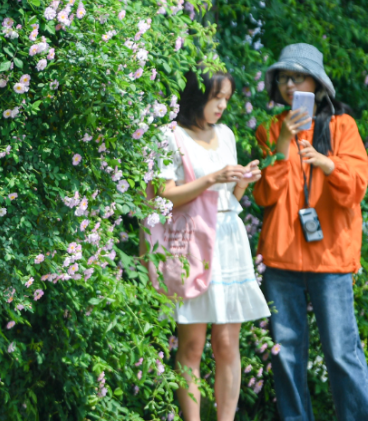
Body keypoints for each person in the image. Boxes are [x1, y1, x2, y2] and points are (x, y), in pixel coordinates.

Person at [254, 43, 368, 421]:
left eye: (298, 77)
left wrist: (326, 163)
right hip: (281, 258)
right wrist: (283, 142)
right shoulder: (270, 129)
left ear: (317, 84)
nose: (290, 85)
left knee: (341, 352)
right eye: (283, 78)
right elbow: (265, 195)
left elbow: (356, 188)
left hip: (331, 258)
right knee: (285, 352)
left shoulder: (342, 127)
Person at [156, 70, 270, 421]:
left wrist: (243, 181)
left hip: (228, 239)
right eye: (215, 97)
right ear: (197, 94)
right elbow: (165, 196)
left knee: (226, 343)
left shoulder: (226, 135)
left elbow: (229, 198)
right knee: (191, 346)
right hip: (191, 243)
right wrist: (212, 178)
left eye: (227, 99)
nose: (222, 105)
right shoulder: (170, 136)